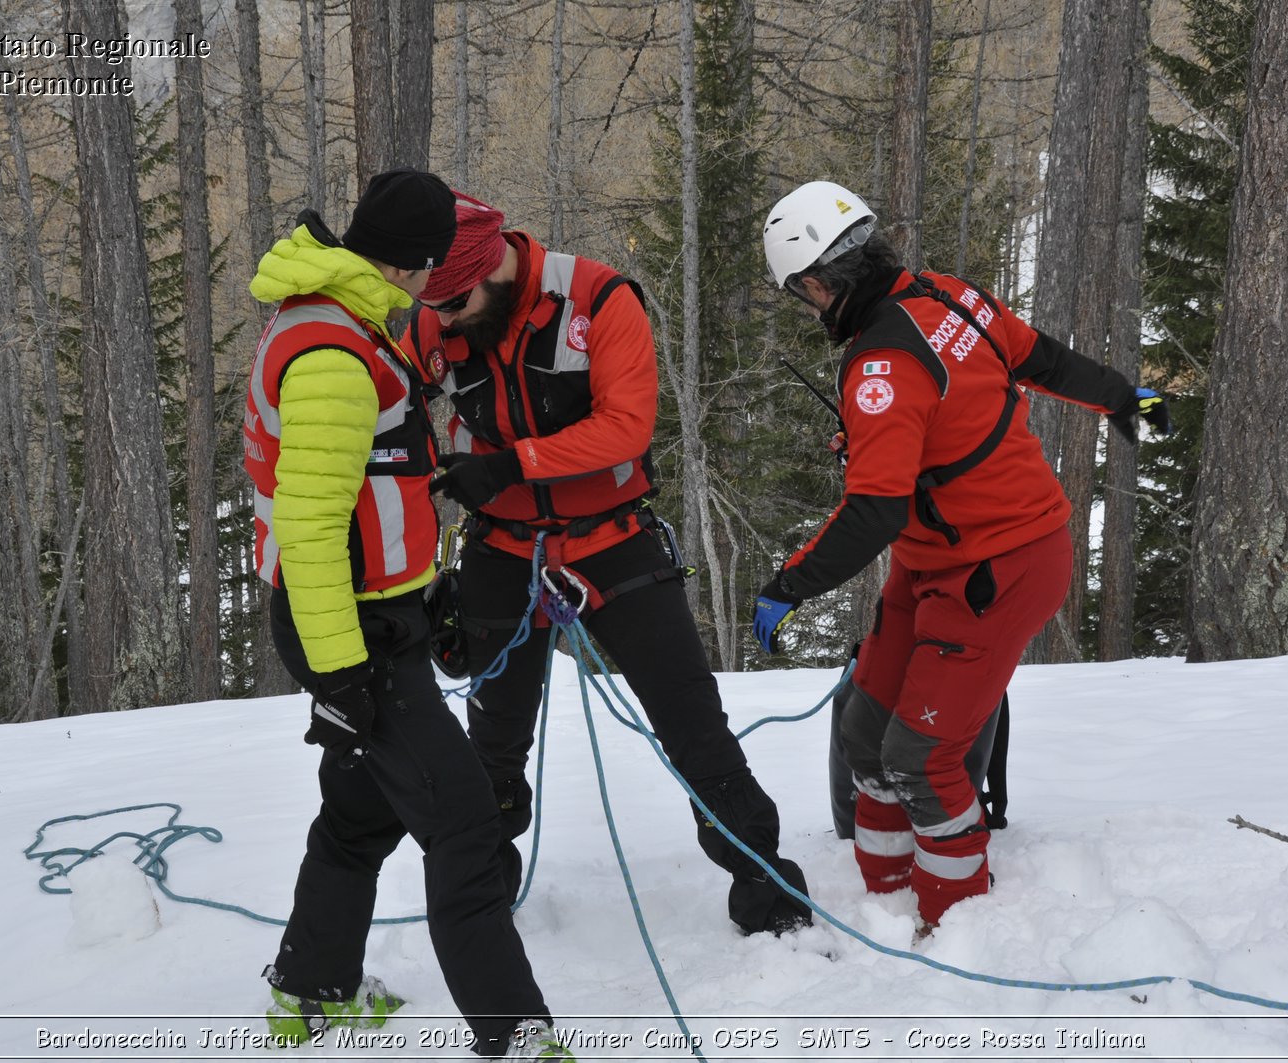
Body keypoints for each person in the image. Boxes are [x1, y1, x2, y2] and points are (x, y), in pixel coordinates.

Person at [753, 180, 1169, 933]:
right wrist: (1118, 395)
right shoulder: (949, 296)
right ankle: (881, 900)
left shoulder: (882, 364)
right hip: (937, 559)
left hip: (1002, 565)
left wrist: (790, 583)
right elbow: (1040, 358)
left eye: (803, 296)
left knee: (922, 755)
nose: (810, 310)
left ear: (819, 281)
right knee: (863, 733)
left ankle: (955, 922)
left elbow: (874, 507)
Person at [401, 191, 813, 937]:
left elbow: (624, 428)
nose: (447, 318)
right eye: (437, 307)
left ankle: (766, 886)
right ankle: (481, 891)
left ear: (496, 264)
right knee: (492, 742)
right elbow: (399, 397)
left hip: (612, 542)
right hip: (503, 552)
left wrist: (510, 465)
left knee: (692, 723)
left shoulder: (597, 298)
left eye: (459, 301)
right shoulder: (437, 314)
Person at [242, 169, 575, 1061]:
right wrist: (344, 669)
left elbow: (372, 498)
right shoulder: (333, 356)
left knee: (361, 814)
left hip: (377, 616)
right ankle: (518, 1034)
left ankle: (309, 995)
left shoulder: (350, 320)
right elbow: (311, 525)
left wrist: (427, 595)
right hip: (350, 631)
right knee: (463, 820)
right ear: (422, 265)